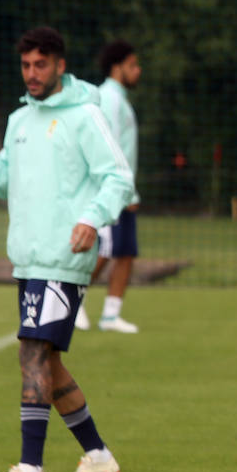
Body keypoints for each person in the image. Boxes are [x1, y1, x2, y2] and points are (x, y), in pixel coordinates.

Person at [0, 26, 132, 472]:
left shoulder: (86, 115)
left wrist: (92, 219)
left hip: (63, 259)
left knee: (31, 352)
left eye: (40, 65)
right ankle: (97, 456)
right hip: (29, 260)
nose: (31, 74)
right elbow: (6, 185)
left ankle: (29, 468)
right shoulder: (19, 120)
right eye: (25, 66)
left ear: (60, 65)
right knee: (47, 364)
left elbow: (118, 177)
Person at [76, 39, 142, 333]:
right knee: (104, 250)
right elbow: (108, 146)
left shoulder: (120, 98)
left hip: (124, 190)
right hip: (110, 192)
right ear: (118, 67)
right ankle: (71, 304)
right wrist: (117, 190)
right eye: (133, 65)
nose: (138, 71)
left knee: (126, 252)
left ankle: (111, 315)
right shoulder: (109, 99)